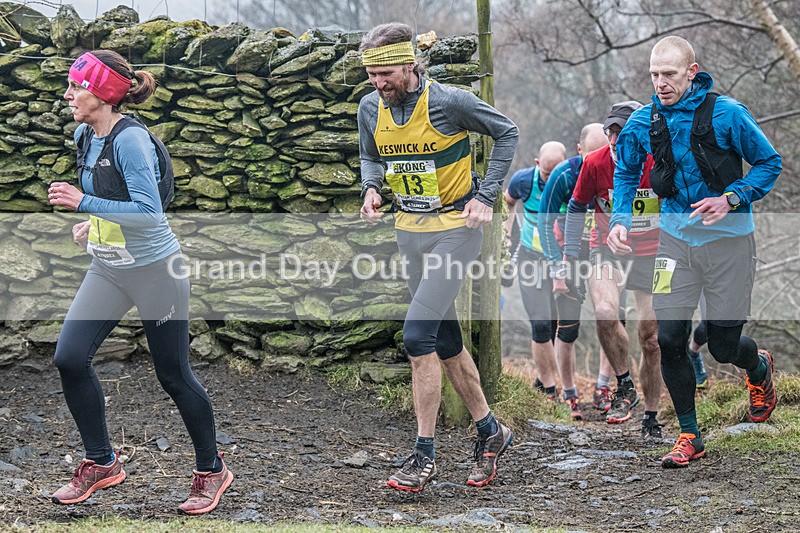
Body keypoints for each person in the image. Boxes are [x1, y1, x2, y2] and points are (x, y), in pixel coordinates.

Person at [48, 50, 232, 512]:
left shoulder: (131, 141)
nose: (68, 95)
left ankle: (212, 470)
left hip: (156, 273)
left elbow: (150, 216)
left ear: (105, 94)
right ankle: (101, 462)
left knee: (173, 374)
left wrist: (83, 206)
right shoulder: (84, 135)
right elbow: (112, 199)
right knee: (69, 358)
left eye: (78, 87)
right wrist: (92, 226)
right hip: (109, 268)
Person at [358, 22, 519, 492]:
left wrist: (486, 195)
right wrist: (371, 187)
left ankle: (423, 455)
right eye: (372, 76)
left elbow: (507, 132)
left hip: (456, 230)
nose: (378, 84)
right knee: (445, 342)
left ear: (410, 64)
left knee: (416, 336)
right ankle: (492, 432)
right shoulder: (371, 107)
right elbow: (370, 154)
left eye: (386, 73)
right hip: (409, 230)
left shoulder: (450, 101)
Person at [608, 36, 781, 467]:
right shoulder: (643, 122)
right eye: (653, 75)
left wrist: (732, 198)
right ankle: (689, 434)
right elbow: (626, 171)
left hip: (729, 245)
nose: (660, 83)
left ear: (691, 71)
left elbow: (769, 163)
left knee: (723, 345)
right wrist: (620, 220)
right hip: (673, 245)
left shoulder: (728, 114)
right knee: (668, 338)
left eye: (669, 74)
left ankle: (757, 366)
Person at [561, 102, 663, 438]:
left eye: (625, 131)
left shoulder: (661, 159)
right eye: (613, 132)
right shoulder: (595, 163)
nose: (618, 139)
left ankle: (651, 416)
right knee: (605, 311)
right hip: (607, 248)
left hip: (655, 253)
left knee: (651, 338)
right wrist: (570, 256)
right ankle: (624, 385)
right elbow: (576, 206)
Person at [535, 124, 615, 420]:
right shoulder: (565, 174)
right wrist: (557, 266)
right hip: (568, 254)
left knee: (611, 320)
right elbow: (544, 221)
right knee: (567, 328)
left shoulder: (617, 167)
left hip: (605, 253)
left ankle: (604, 388)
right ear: (579, 150)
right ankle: (568, 394)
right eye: (591, 152)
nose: (598, 158)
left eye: (603, 151)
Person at [504, 142, 566, 403]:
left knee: (553, 324)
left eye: (555, 175)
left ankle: (542, 380)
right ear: (537, 163)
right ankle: (551, 391)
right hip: (530, 259)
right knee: (540, 323)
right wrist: (507, 233)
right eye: (545, 174)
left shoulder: (571, 182)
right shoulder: (523, 181)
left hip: (561, 261)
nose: (550, 180)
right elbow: (508, 202)